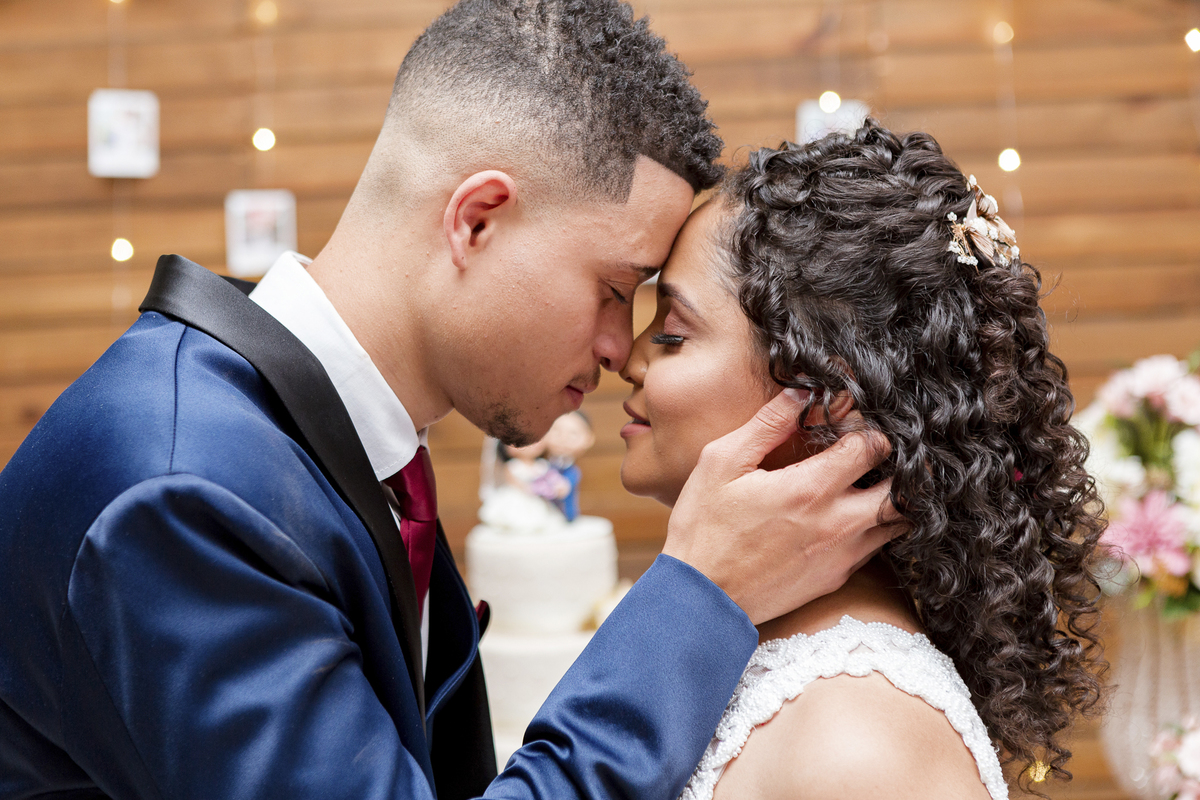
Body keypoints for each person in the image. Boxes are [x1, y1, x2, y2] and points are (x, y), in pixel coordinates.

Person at [0, 1, 899, 799]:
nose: (621, 347)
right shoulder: (184, 488)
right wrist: (698, 592)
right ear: (476, 219)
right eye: (614, 288)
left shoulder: (319, 437)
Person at [618, 121, 1107, 800]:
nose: (629, 358)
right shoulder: (749, 636)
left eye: (672, 333)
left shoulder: (858, 745)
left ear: (822, 397)